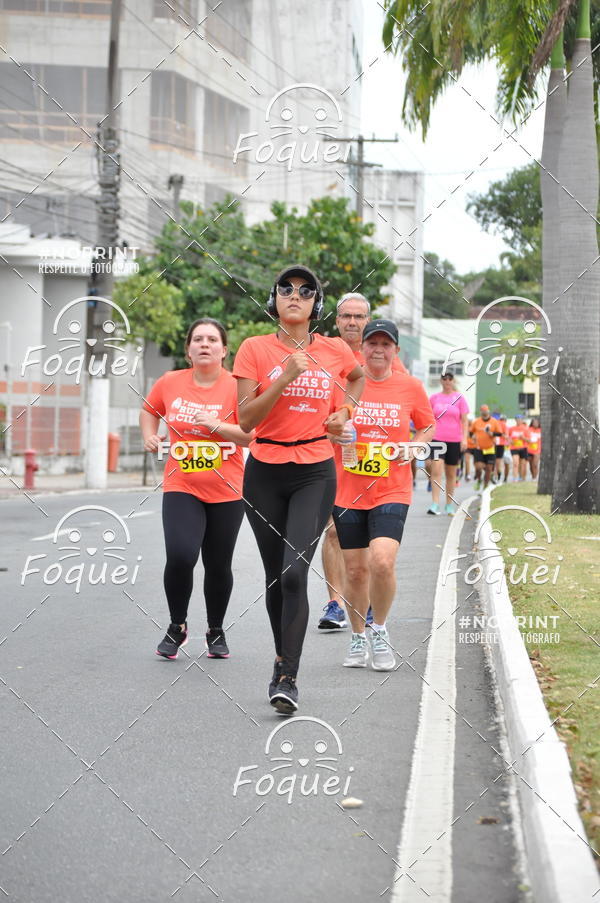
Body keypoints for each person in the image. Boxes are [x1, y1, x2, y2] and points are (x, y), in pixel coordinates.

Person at [234, 265, 365, 714]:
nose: (296, 295)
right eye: (286, 289)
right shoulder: (254, 349)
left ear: (316, 305)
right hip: (264, 472)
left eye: (306, 291)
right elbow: (246, 420)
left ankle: (288, 676)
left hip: (314, 471)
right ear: (274, 300)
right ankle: (281, 659)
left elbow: (357, 378)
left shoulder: (333, 349)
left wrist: (344, 412)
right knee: (276, 577)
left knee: (294, 574)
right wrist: (285, 376)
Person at [140, 318, 252, 661]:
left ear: (224, 350)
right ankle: (177, 626)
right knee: (180, 555)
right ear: (188, 349)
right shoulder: (170, 381)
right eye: (198, 339)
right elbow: (149, 410)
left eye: (212, 340)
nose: (205, 344)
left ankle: (215, 630)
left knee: (218, 564)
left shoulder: (237, 386)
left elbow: (251, 435)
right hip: (182, 484)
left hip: (227, 489)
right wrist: (150, 435)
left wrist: (217, 426)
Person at [330, 319, 434, 669]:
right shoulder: (345, 384)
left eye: (385, 344)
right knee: (356, 571)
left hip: (392, 488)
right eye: (372, 343)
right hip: (347, 490)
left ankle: (380, 628)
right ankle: (358, 635)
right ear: (361, 348)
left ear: (395, 351)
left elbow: (427, 424)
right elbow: (324, 425)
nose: (378, 350)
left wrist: (415, 446)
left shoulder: (410, 386)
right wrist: (336, 433)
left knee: (382, 561)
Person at [318, 292, 408, 631]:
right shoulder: (324, 353)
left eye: (359, 317)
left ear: (367, 321)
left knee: (370, 540)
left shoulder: (384, 355)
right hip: (330, 457)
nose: (352, 322)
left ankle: (366, 602)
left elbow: (403, 404)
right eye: (346, 316)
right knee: (332, 532)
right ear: (337, 321)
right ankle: (335, 603)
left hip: (374, 466)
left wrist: (406, 448)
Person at [426, 371, 469, 516]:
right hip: (437, 438)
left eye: (450, 378)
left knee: (451, 474)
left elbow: (465, 421)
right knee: (436, 470)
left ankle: (449, 505)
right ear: (441, 381)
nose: (447, 381)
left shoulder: (459, 398)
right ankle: (435, 504)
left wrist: (464, 439)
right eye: (444, 378)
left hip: (454, 440)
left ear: (453, 381)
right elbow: (428, 418)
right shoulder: (434, 398)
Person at [470, 404, 500, 490]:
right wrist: (472, 436)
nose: (484, 412)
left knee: (489, 468)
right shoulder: (476, 421)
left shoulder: (494, 421)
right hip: (479, 448)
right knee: (479, 467)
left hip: (490, 448)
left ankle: (485, 486)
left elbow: (499, 433)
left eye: (486, 411)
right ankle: (479, 480)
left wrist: (492, 434)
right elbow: (471, 432)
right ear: (481, 412)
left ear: (488, 411)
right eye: (483, 411)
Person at [509, 414, 530, 481]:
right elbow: (508, 438)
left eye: (520, 419)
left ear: (522, 420)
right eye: (517, 419)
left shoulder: (525, 429)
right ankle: (515, 478)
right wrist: (510, 441)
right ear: (515, 420)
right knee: (515, 463)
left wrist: (523, 438)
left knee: (522, 464)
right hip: (514, 448)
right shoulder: (511, 429)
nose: (518, 420)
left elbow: (529, 440)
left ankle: (521, 477)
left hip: (523, 448)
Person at [495, 414, 511, 482]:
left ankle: (497, 476)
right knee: (506, 463)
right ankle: (504, 478)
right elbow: (507, 436)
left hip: (497, 445)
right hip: (504, 446)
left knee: (497, 462)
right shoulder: (505, 425)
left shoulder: (496, 424)